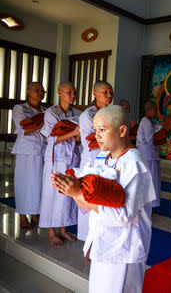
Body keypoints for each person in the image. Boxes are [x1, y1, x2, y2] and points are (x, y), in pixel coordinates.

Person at [51, 105, 155, 293]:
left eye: (102, 130)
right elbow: (91, 205)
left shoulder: (135, 164)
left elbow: (122, 216)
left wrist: (78, 193)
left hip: (124, 250)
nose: (96, 135)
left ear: (122, 130)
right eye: (95, 130)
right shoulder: (103, 157)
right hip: (103, 243)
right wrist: (71, 189)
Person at [39, 82, 81, 246]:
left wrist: (77, 137)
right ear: (59, 93)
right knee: (53, 194)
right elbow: (51, 138)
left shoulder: (76, 113)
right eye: (69, 92)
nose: (72, 95)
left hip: (71, 157)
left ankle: (63, 229)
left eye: (74, 92)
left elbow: (77, 141)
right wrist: (74, 132)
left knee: (67, 194)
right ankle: (51, 232)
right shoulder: (51, 112)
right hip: (56, 159)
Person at [77, 81, 114, 241]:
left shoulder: (113, 112)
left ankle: (103, 237)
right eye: (105, 92)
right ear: (95, 93)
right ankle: (88, 239)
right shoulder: (88, 114)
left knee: (105, 200)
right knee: (90, 198)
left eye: (110, 92)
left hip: (109, 161)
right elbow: (89, 140)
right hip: (92, 161)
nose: (109, 95)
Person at [11, 82, 47, 229]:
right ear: (28, 92)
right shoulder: (20, 108)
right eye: (37, 90)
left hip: (41, 150)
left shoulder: (45, 110)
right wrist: (41, 124)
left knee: (38, 184)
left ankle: (35, 215)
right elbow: (24, 129)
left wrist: (41, 124)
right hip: (26, 150)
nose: (40, 92)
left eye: (42, 91)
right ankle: (22, 216)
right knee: (24, 183)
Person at [136, 101, 161, 208]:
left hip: (149, 155)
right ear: (149, 110)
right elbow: (150, 140)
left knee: (152, 181)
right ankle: (148, 205)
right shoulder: (146, 122)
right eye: (155, 110)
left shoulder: (147, 121)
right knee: (151, 181)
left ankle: (148, 205)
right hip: (148, 156)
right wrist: (161, 133)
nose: (156, 112)